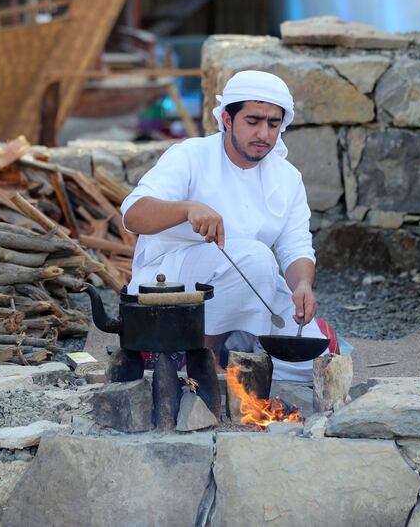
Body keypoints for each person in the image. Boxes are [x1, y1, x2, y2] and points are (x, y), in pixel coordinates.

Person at [120, 70, 326, 382]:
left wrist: (302, 286)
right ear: (228, 120)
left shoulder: (287, 177)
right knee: (256, 257)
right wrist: (186, 209)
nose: (264, 134)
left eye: (273, 123)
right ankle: (203, 361)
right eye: (253, 121)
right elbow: (133, 215)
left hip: (253, 283)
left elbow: (296, 246)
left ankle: (230, 352)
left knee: (310, 365)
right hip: (173, 284)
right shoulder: (191, 155)